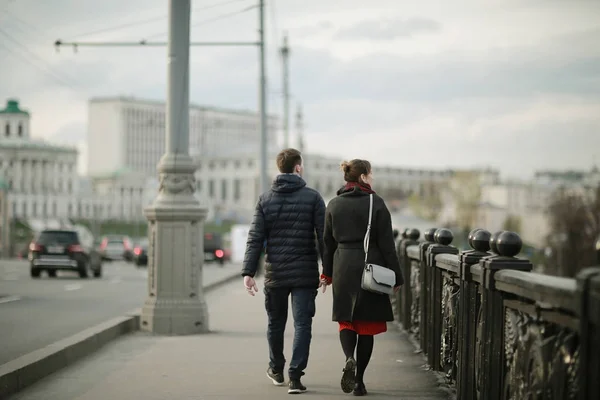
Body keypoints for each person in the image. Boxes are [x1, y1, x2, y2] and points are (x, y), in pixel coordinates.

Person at [242, 148, 326, 395]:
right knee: (303, 325)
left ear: (280, 168)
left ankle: (276, 369)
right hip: (304, 273)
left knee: (275, 323)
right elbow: (324, 238)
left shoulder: (265, 199)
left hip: (275, 273)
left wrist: (248, 272)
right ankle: (296, 377)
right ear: (298, 167)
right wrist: (328, 270)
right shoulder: (313, 198)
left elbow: (255, 238)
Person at [320, 159, 404, 396]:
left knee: (346, 320)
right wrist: (397, 276)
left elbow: (327, 244)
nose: (373, 177)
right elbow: (388, 244)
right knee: (366, 326)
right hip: (371, 267)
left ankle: (349, 357)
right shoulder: (375, 203)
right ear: (364, 177)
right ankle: (359, 382)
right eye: (371, 174)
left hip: (343, 266)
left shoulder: (334, 204)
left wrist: (326, 273)